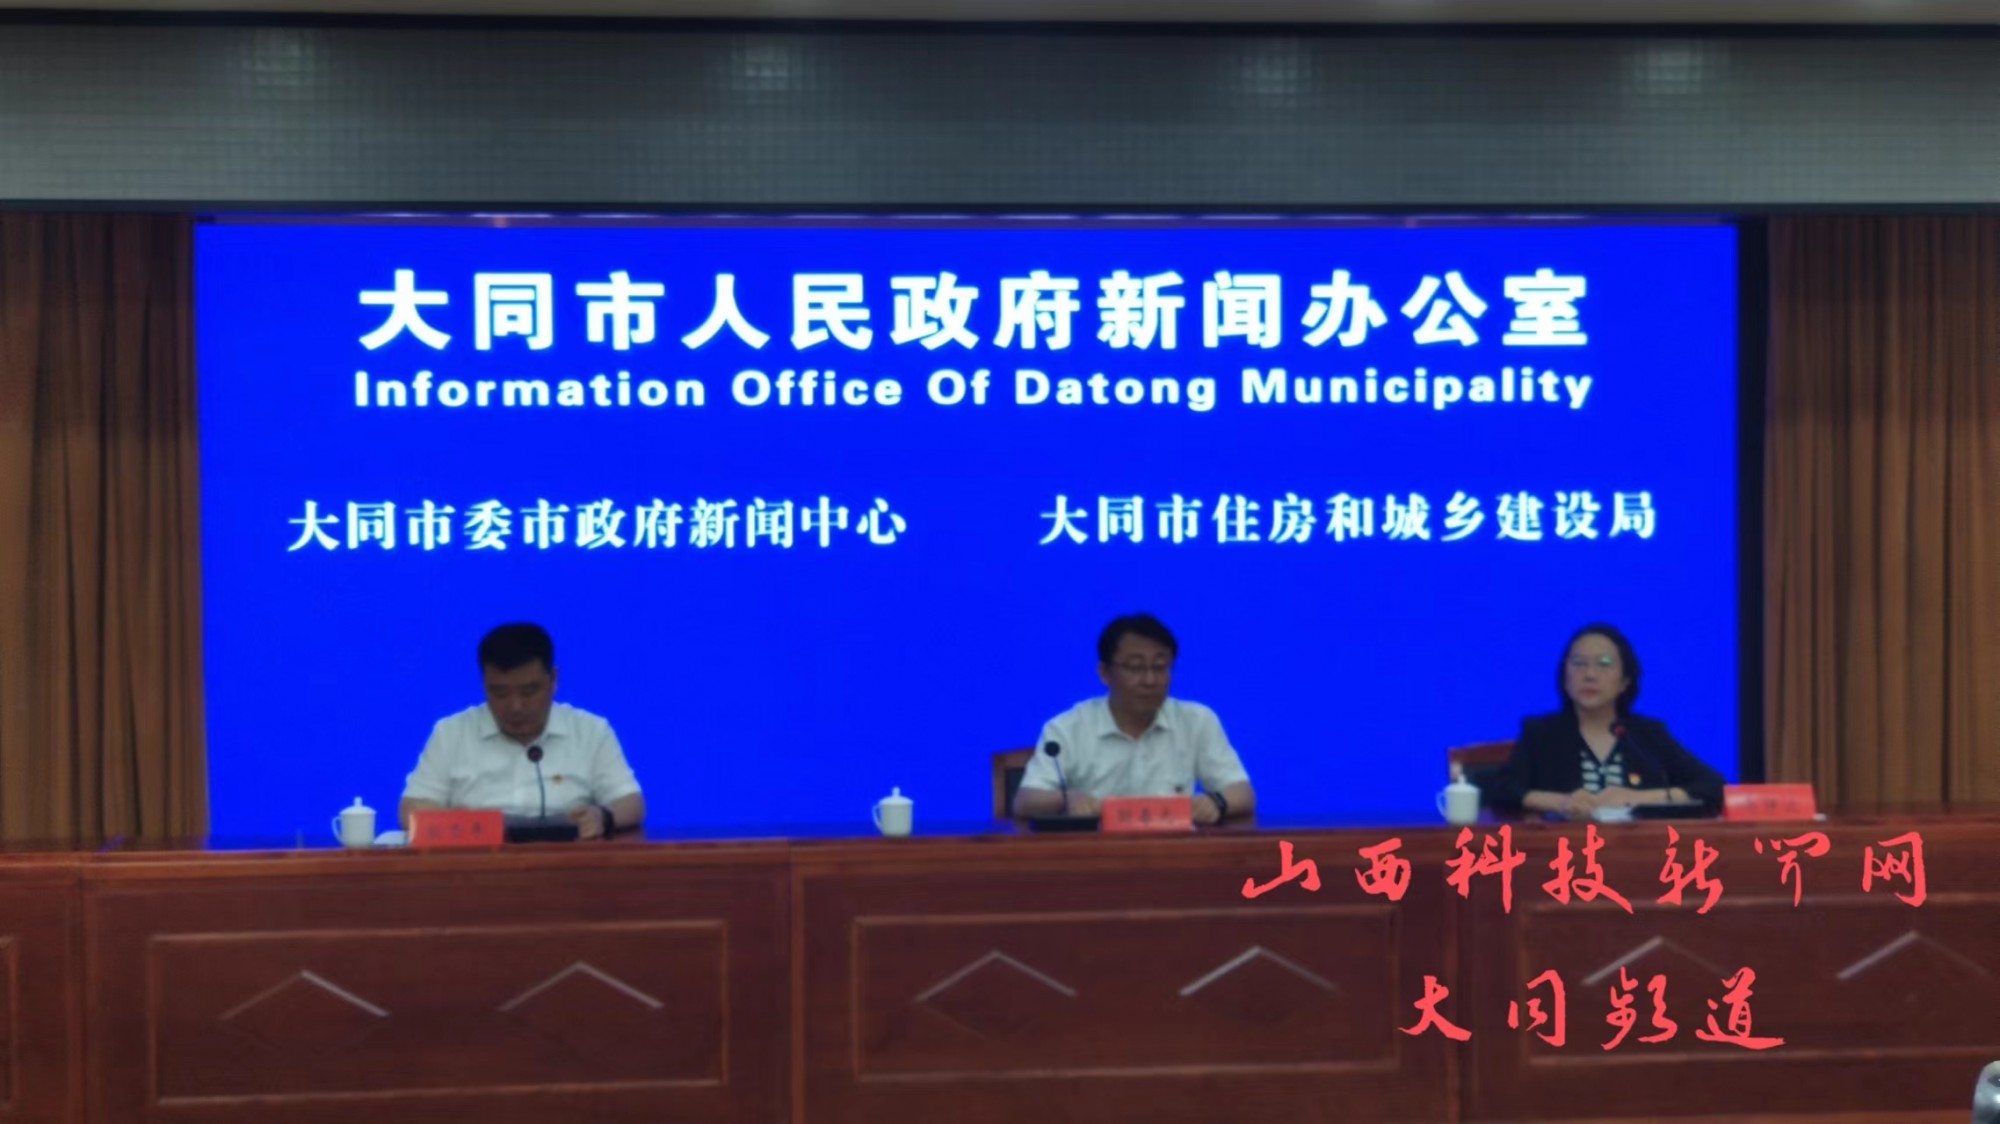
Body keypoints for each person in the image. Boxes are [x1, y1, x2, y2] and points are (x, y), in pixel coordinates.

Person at [399, 622, 644, 839]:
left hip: (568, 864)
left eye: (529, 691)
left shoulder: (591, 731)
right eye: (500, 693)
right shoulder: (451, 733)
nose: (515, 706)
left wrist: (604, 817)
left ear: (553, 680)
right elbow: (410, 810)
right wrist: (462, 823)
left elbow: (631, 802)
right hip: (476, 864)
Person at [1013, 613, 1255, 824]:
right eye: (1135, 668)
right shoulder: (1067, 728)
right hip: (1094, 852)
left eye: (1159, 667)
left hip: (1172, 852)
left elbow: (1243, 793)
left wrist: (1216, 802)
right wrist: (1066, 799)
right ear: (1105, 673)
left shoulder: (1197, 721)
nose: (1149, 680)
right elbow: (1025, 802)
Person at [1484, 622, 1725, 819]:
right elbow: (1501, 791)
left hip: (1639, 852)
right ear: (1565, 678)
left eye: (1604, 664)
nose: (1590, 675)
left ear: (1625, 681)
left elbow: (1713, 787)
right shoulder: (1542, 733)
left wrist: (1638, 797)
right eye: (1579, 663)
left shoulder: (1647, 734)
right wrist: (1561, 802)